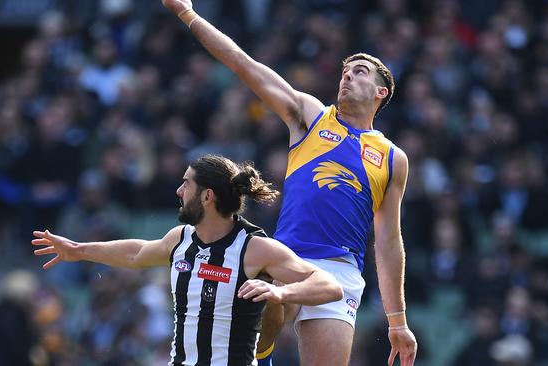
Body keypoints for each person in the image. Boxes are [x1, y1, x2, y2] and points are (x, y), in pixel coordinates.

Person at [161, 2, 418, 366]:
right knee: (263, 298)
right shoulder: (312, 117)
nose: (347, 77)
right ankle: (258, 358)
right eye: (345, 72)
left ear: (381, 92)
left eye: (359, 72)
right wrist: (188, 14)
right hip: (286, 257)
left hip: (338, 269)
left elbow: (389, 241)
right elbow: (242, 63)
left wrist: (397, 321)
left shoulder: (393, 158)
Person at [32, 154, 343, 366]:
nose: (179, 191)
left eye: (186, 184)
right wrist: (78, 250)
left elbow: (329, 286)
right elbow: (137, 253)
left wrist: (281, 293)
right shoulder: (179, 239)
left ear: (207, 196)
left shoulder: (255, 247)